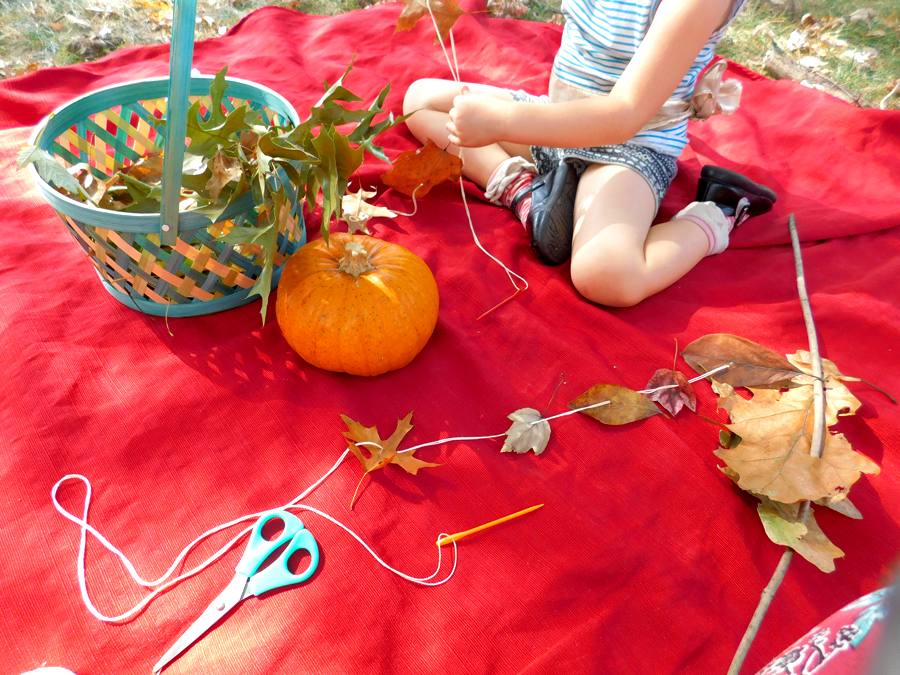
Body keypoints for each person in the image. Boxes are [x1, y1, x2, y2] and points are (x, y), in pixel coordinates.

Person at [402, 0, 777, 307]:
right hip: (557, 121)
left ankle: (718, 210)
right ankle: (527, 191)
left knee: (606, 275)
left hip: (628, 149)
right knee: (422, 102)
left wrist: (502, 122)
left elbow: (626, 113)